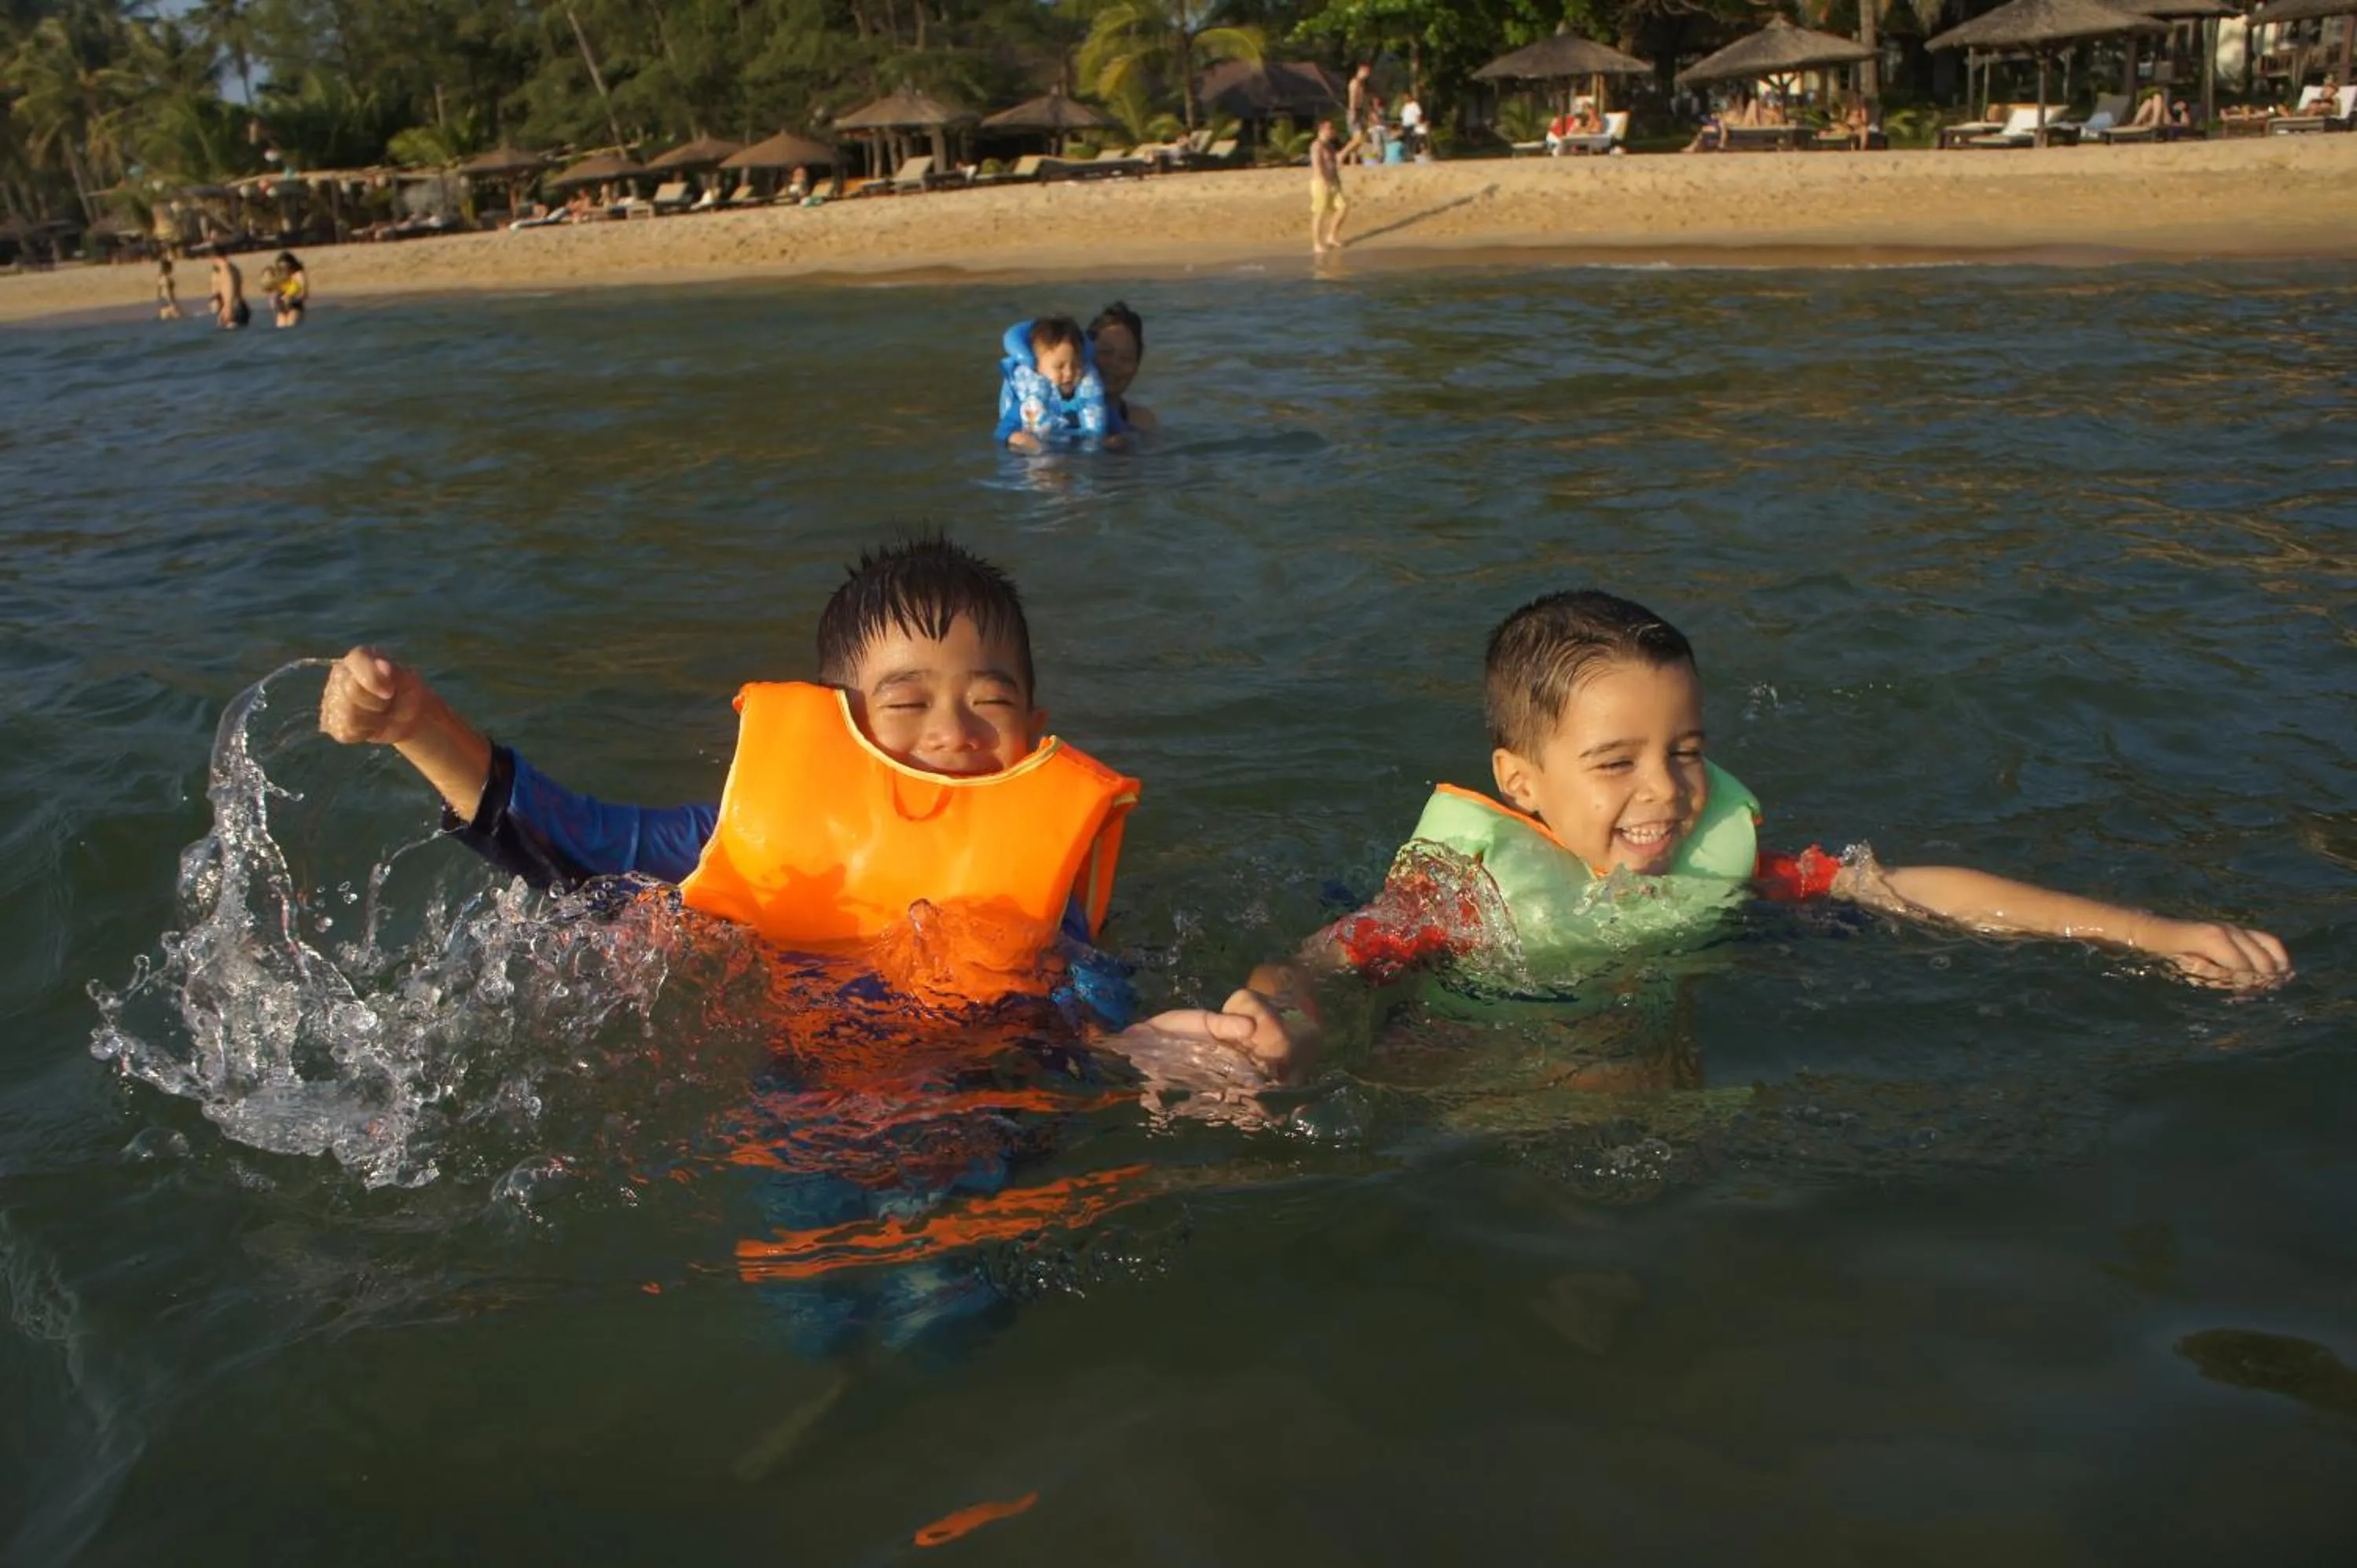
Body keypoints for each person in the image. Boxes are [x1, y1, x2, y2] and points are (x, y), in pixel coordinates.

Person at [315, 537, 1287, 1071]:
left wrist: (1135, 1048)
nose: (952, 731)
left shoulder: (1047, 878)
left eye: (988, 701)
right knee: (815, 1313)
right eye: (907, 703)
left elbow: (1085, 1006)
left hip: (980, 1109)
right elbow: (566, 843)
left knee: (947, 1322)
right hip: (806, 1112)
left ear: (1035, 726)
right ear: (842, 723)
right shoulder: (760, 841)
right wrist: (417, 725)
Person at [1231, 588, 2292, 1072]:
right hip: (1489, 1077)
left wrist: (2148, 933)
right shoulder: (1458, 903)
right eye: (1616, 762)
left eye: (1685, 751)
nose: (1666, 792)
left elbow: (1912, 887)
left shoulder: (1718, 863)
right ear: (1522, 781)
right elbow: (1319, 967)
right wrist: (1264, 1033)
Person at [995, 315, 1125, 452]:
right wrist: (1017, 438)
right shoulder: (1027, 405)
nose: (1069, 373)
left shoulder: (1095, 403)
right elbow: (1002, 433)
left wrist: (1114, 440)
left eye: (1076, 365)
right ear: (1038, 369)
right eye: (1059, 366)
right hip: (1041, 463)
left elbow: (1119, 431)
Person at [1087, 300, 1156, 436]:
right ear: (1085, 352)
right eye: (1105, 352)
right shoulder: (1056, 415)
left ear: (1136, 367)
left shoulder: (1143, 422)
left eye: (1126, 358)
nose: (1114, 364)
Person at [1310, 119, 1349, 256]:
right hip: (1321, 183)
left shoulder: (1330, 146)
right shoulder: (1317, 146)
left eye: (1332, 128)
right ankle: (1316, 243)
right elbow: (1317, 165)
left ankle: (1331, 236)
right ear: (1321, 130)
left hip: (1333, 181)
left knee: (1343, 207)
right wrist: (1324, 181)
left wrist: (1336, 180)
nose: (1332, 131)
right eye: (1329, 128)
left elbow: (1334, 163)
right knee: (1319, 212)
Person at [206, 251, 248, 330]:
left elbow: (228, 285)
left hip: (231, 309)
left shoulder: (224, 267)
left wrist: (228, 307)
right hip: (235, 306)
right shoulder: (230, 268)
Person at [269, 251, 307, 328]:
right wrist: (272, 300)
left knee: (291, 325)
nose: (285, 270)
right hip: (280, 304)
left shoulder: (298, 275)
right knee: (281, 327)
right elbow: (273, 290)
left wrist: (291, 298)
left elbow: (304, 293)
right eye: (281, 268)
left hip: (294, 304)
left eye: (286, 267)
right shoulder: (279, 276)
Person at [1347, 62, 1373, 137]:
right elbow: (1353, 98)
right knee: (1357, 136)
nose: (1368, 75)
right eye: (1367, 72)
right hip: (1355, 110)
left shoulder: (1362, 84)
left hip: (1361, 111)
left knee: (1363, 135)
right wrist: (1353, 112)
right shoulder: (1355, 83)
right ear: (1361, 70)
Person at [154, 254, 183, 321]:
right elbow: (167, 292)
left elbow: (159, 293)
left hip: (163, 306)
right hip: (169, 306)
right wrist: (173, 304)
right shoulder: (166, 279)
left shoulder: (160, 278)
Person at [1398, 91, 1427, 158]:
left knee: (1413, 139)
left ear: (1410, 97)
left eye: (1407, 97)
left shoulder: (1415, 105)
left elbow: (1419, 115)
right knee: (1408, 139)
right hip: (1406, 125)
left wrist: (1418, 124)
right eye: (1404, 98)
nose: (1406, 99)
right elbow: (1403, 116)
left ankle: (1415, 153)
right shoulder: (1405, 106)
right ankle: (1409, 153)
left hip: (1413, 125)